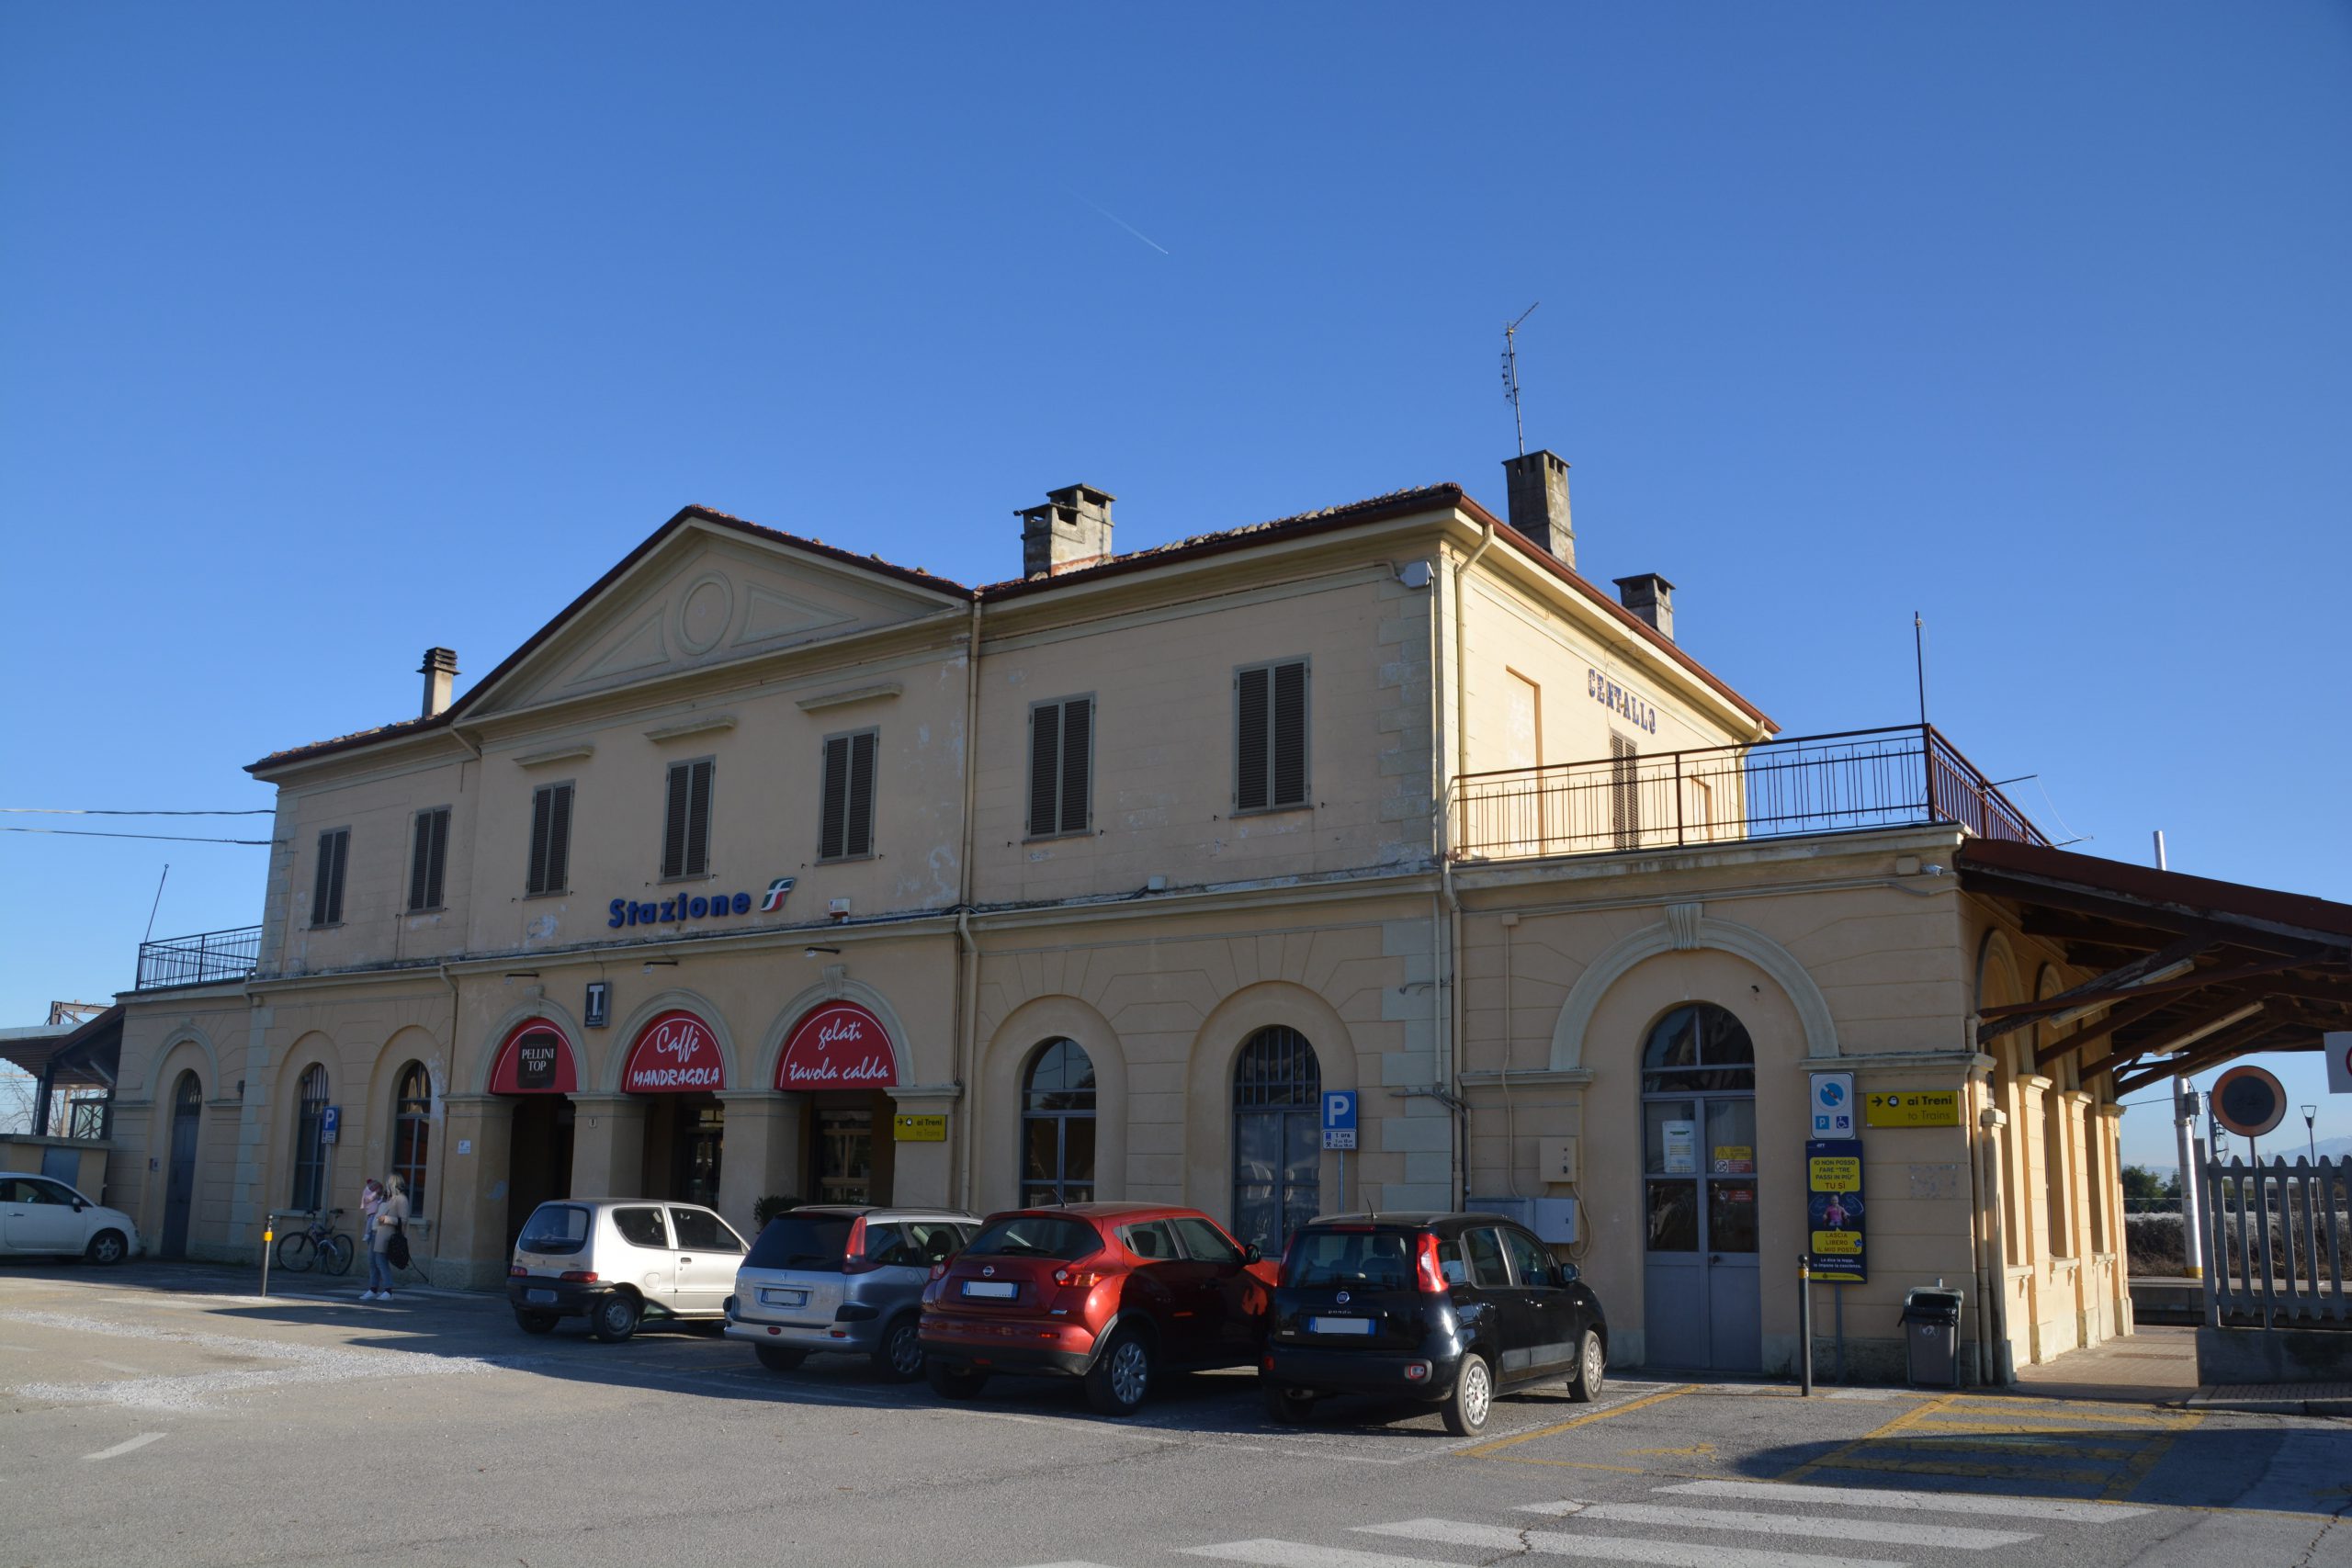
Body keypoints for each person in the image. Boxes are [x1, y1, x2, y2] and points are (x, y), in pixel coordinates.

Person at [365, 1175, 409, 1302]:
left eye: (390, 1183)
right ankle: (373, 1289)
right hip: (375, 1233)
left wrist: (387, 1219)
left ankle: (388, 1291)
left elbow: (404, 1220)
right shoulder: (387, 1198)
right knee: (372, 1262)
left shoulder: (401, 1199)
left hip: (385, 1234)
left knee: (381, 1262)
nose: (387, 1185)